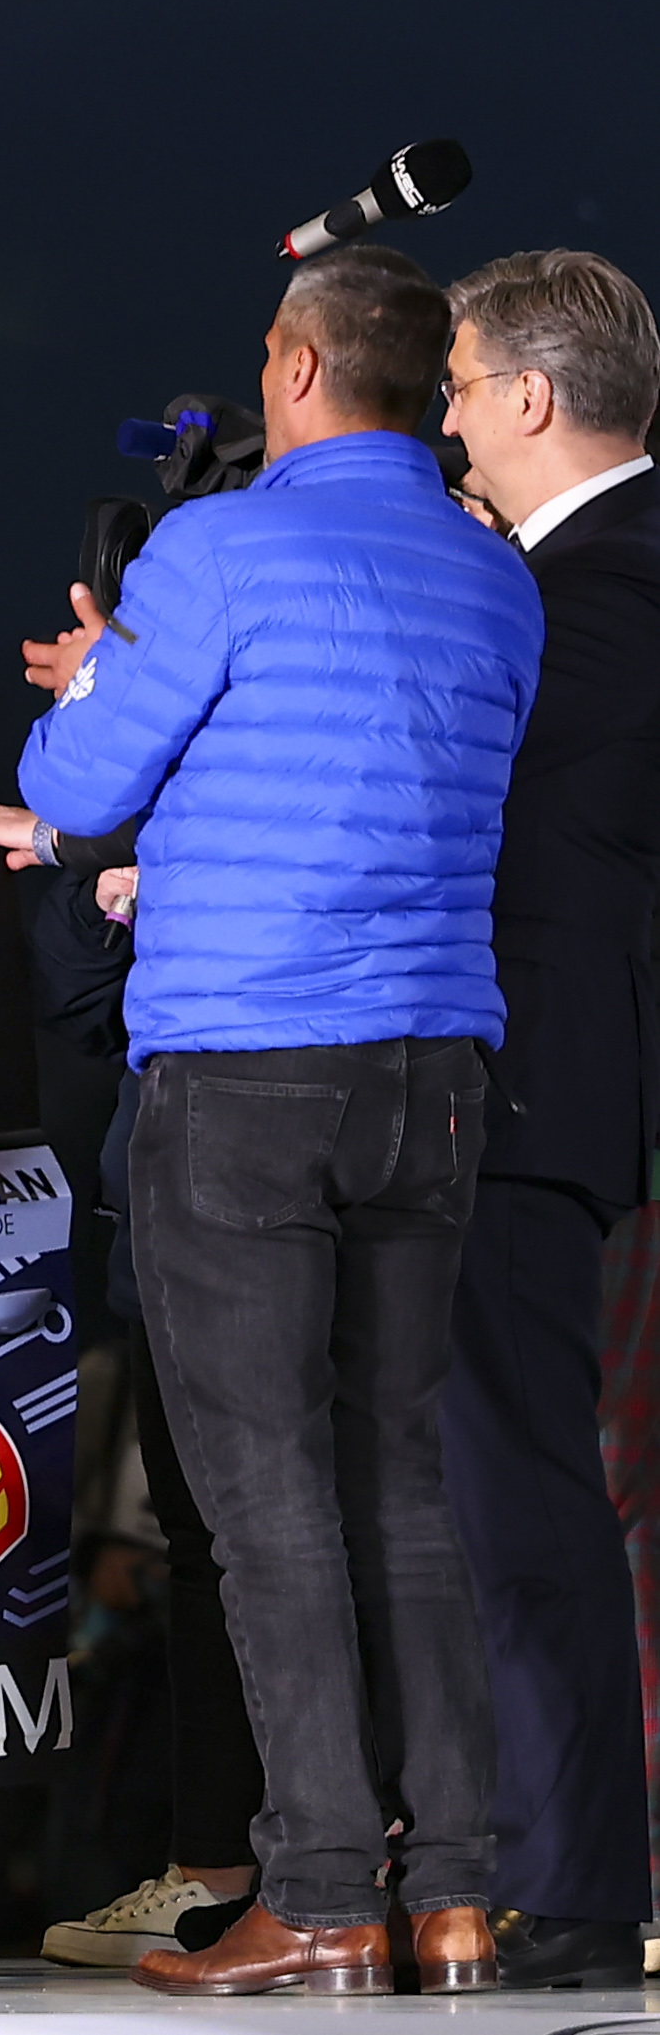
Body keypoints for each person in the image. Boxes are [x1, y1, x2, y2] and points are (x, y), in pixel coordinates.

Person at [14, 245, 540, 1999]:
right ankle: (450, 1894)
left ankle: (315, 1891)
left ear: (300, 370)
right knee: (398, 1475)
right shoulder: (492, 577)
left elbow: (78, 784)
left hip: (245, 1062)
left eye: (266, 356)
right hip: (431, 1075)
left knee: (262, 1499)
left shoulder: (213, 552)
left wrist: (96, 681)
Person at [429, 248, 660, 1987]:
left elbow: (448, 767)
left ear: (526, 395)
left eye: (450, 387)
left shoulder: (605, 584)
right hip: (523, 1081)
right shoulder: (566, 576)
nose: (441, 423)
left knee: (519, 1484)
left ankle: (570, 1886)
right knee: (492, 1478)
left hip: (528, 1085)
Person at [0, 796, 267, 1971]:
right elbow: (74, 998)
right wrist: (106, 880)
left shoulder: (259, 777)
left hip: (282, 1173)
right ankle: (230, 1872)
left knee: (317, 1534)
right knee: (208, 1548)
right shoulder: (133, 818)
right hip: (166, 1212)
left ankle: (350, 1870)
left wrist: (109, 855)